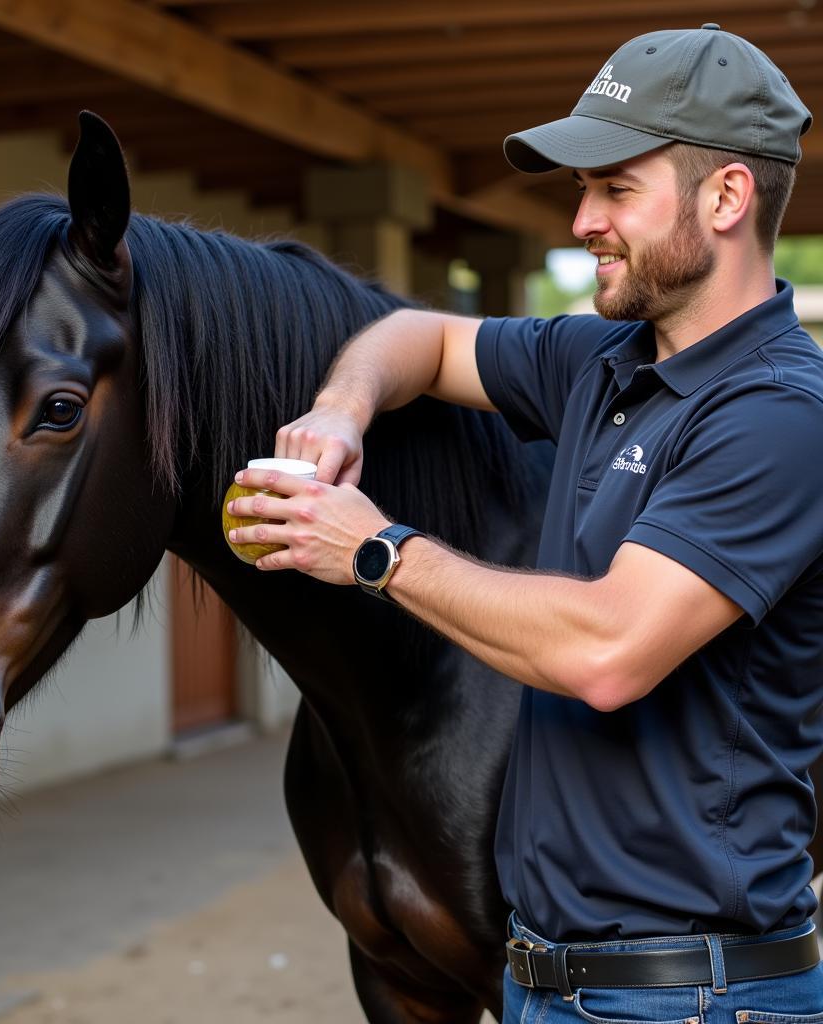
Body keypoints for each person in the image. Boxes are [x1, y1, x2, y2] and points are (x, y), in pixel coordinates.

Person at [226, 22, 823, 1021]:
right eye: (581, 190)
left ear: (725, 198)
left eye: (616, 188)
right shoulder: (601, 361)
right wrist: (341, 408)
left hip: (694, 1000)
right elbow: (418, 335)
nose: (582, 219)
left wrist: (372, 548)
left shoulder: (778, 415)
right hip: (547, 982)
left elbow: (608, 649)